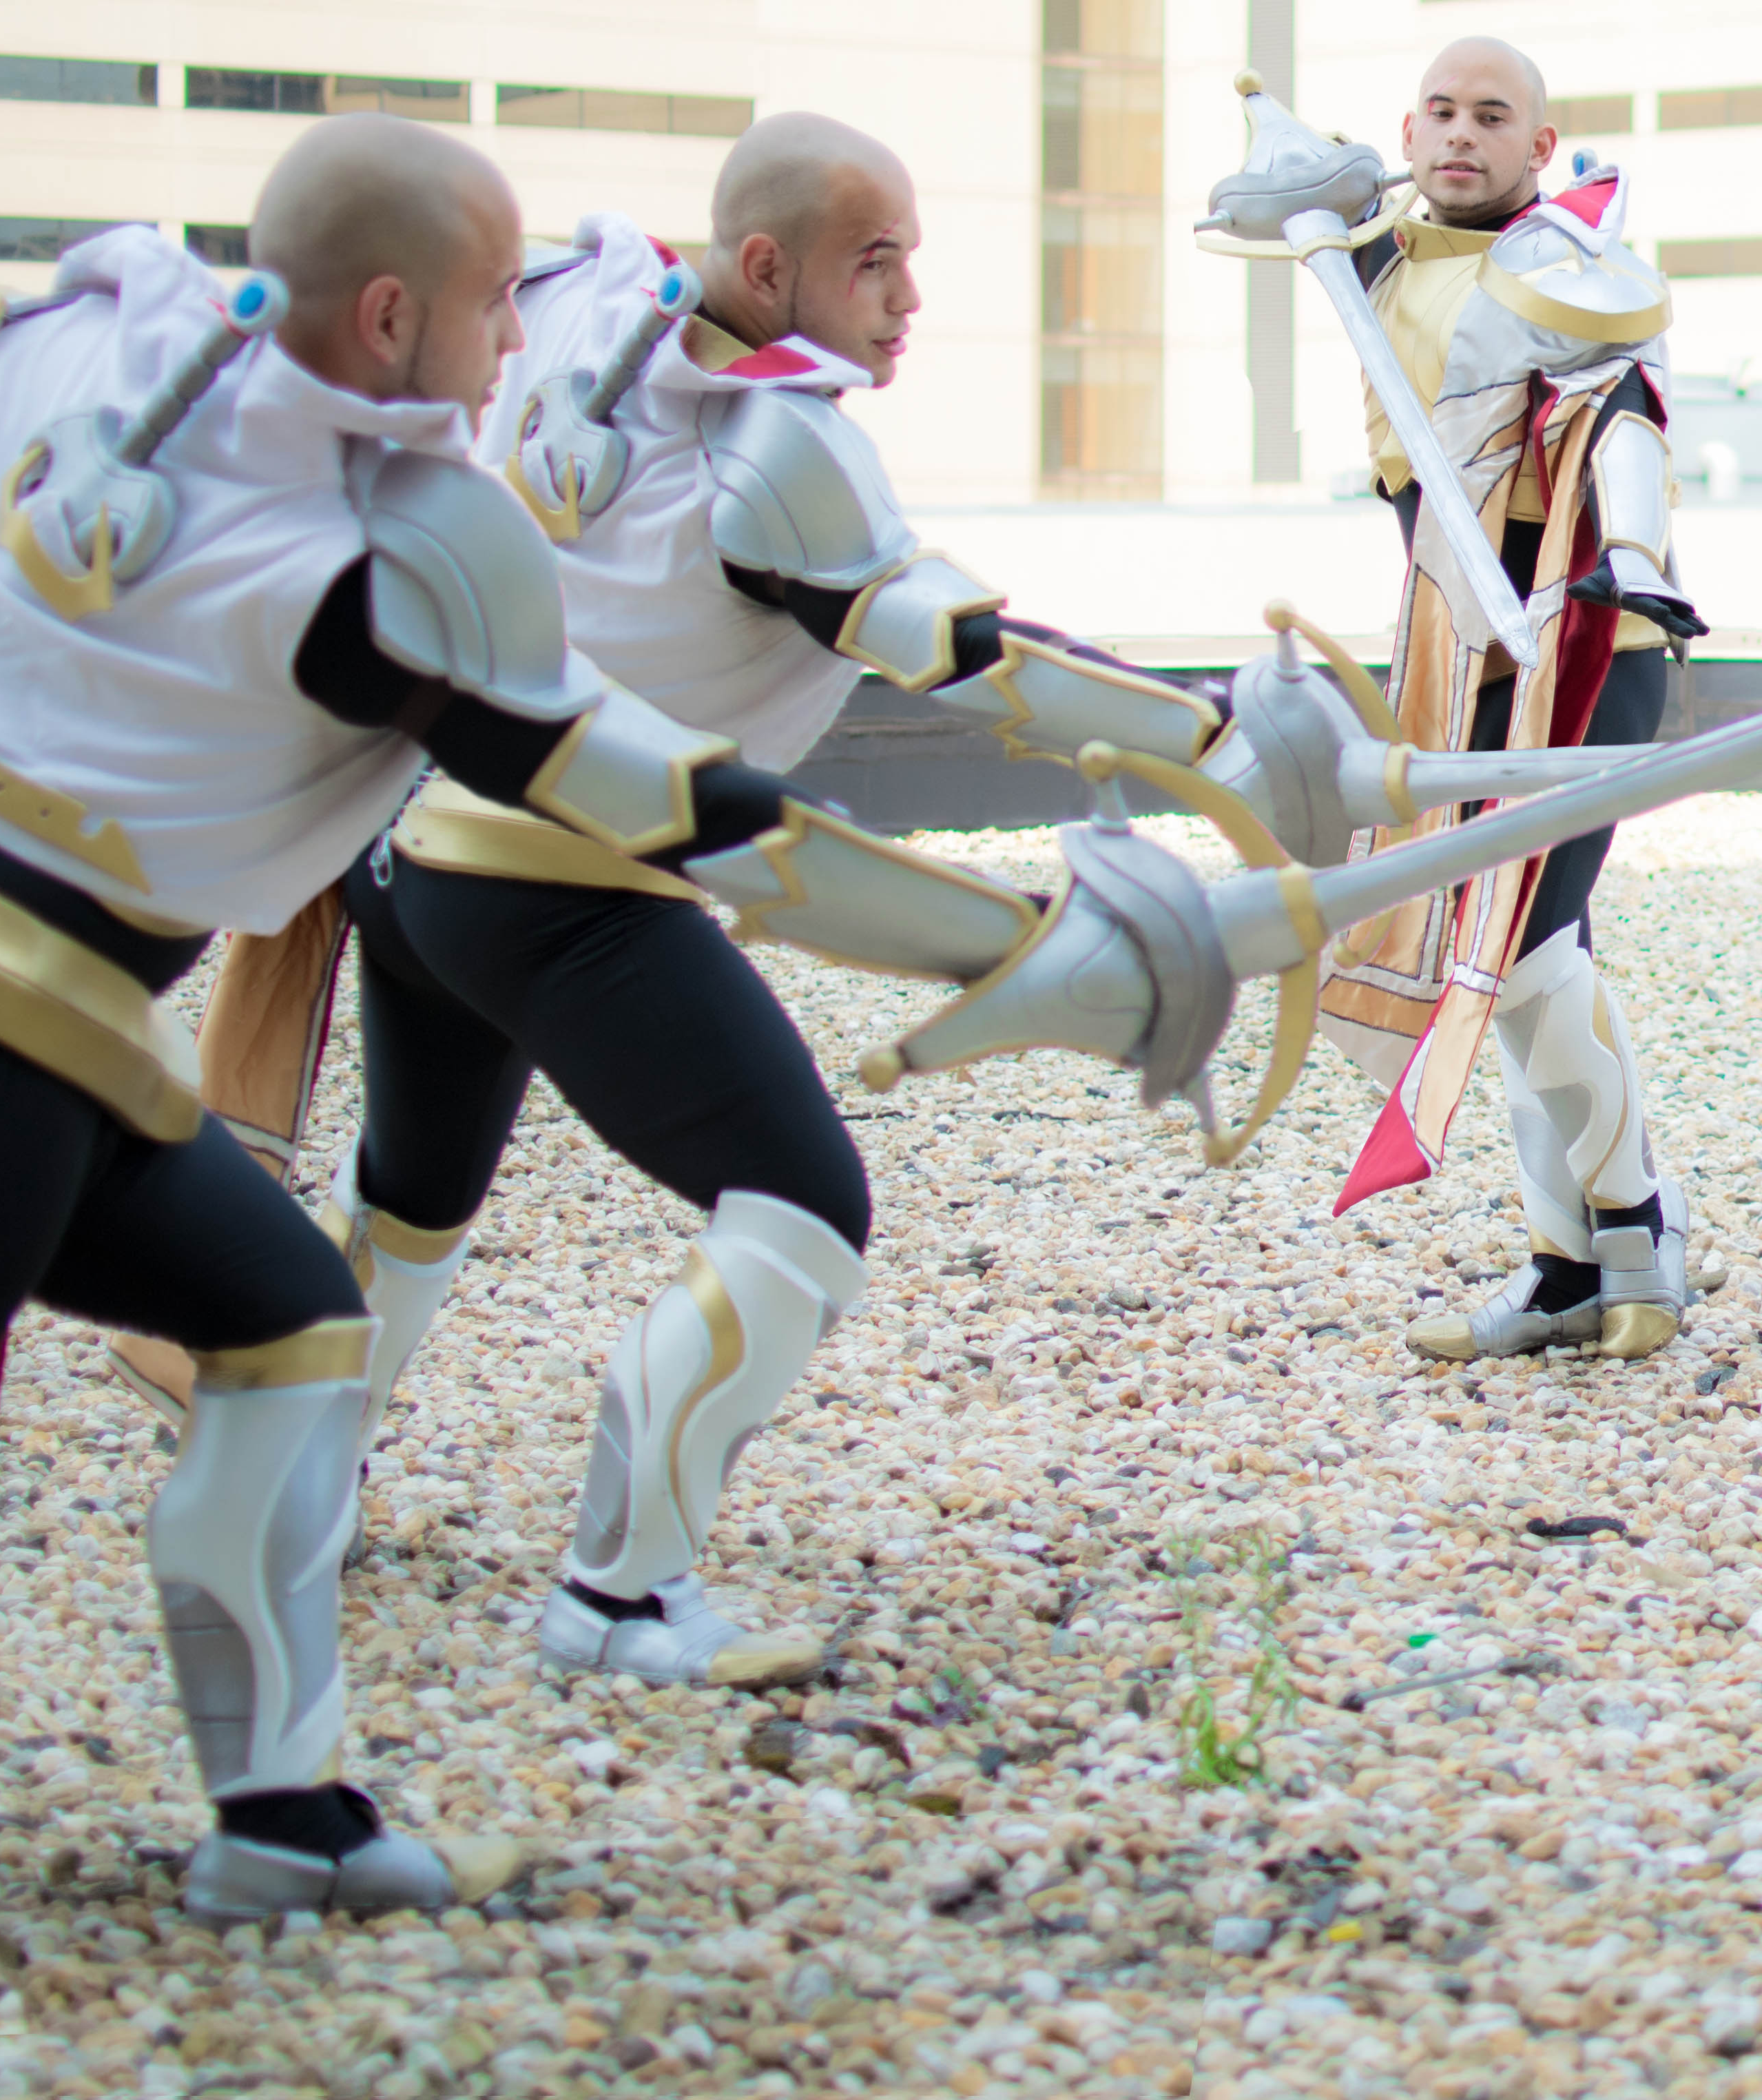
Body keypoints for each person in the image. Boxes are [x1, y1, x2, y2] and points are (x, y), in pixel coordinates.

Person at [0, 118, 1188, 1915]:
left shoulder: (82, 340)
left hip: (75, 1027)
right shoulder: (396, 546)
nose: (517, 345)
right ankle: (613, 1598)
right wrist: (1031, 948)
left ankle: (285, 1830)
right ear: (391, 315)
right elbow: (687, 811)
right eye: (494, 304)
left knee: (290, 1320)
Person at [236, 112, 1254, 1690]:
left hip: (417, 854)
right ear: (768, 265)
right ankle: (620, 1594)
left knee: (415, 1196)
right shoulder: (777, 445)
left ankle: (286, 1500)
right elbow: (965, 658)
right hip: (567, 877)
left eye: (911, 259)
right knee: (799, 1205)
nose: (908, 299)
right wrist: (1222, 735)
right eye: (876, 261)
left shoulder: (586, 299)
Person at [1303, 38, 1712, 1363]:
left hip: (1587, 639)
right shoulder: (1372, 257)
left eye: (1492, 116)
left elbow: (1630, 415)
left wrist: (1633, 565)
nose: (1460, 134)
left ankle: (1630, 1232)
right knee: (1525, 958)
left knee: (1524, 947)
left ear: (1540, 145)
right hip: (1460, 649)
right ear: (1408, 129)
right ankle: (1575, 1266)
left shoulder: (1564, 262)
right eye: (1441, 112)